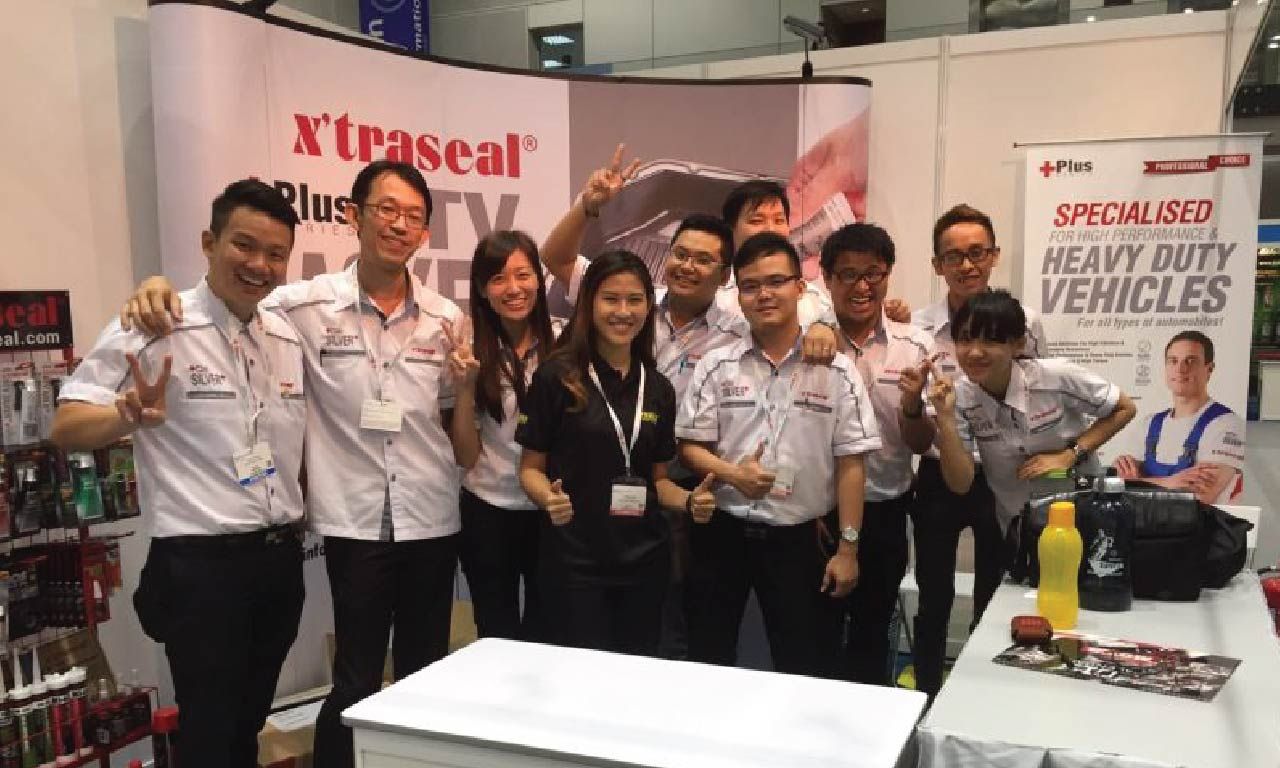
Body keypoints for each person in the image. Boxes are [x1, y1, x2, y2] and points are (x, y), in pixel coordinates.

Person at [119, 160, 468, 768]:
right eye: (386, 209)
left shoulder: (447, 318)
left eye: (413, 216)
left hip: (431, 516)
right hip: (354, 520)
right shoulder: (299, 307)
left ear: (425, 232)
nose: (398, 224)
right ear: (353, 215)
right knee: (356, 678)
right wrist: (155, 287)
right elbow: (229, 298)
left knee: (425, 673)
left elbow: (448, 412)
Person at [52, 180, 306, 768]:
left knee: (247, 725)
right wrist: (124, 416)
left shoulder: (284, 333)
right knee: (210, 735)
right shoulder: (156, 323)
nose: (259, 265)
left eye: (275, 254)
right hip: (202, 569)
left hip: (278, 562)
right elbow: (66, 425)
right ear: (209, 243)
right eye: (244, 245)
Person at [677, 233, 882, 678]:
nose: (764, 295)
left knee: (805, 665)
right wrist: (732, 474)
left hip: (800, 539)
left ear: (799, 288)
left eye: (775, 282)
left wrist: (848, 549)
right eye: (751, 286)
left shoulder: (837, 370)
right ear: (738, 295)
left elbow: (852, 464)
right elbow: (690, 446)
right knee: (708, 658)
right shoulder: (716, 364)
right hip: (723, 534)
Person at [516, 250, 716, 656]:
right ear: (590, 303)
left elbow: (658, 481)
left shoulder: (657, 388)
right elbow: (529, 469)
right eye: (611, 299)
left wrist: (689, 500)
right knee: (579, 674)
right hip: (575, 561)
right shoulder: (557, 377)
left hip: (645, 562)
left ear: (648, 307)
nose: (623, 312)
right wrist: (548, 498)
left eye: (634, 300)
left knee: (634, 675)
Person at [908, 203, 1049, 698]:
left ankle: (980, 693)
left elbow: (1038, 390)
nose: (967, 265)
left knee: (995, 590)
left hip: (1002, 474)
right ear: (937, 264)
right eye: (954, 256)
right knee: (934, 594)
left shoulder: (1025, 322)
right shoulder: (918, 327)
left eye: (977, 253)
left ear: (994, 255)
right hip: (939, 473)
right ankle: (926, 694)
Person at [927, 289, 1137, 555]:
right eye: (965, 340)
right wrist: (945, 418)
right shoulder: (959, 397)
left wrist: (1071, 454)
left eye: (990, 340)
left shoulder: (1055, 376)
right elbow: (960, 483)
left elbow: (1124, 408)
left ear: (1018, 344)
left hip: (1082, 519)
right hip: (1019, 528)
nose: (975, 352)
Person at [819, 223, 937, 686]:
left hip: (887, 509)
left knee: (873, 633)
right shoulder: (808, 343)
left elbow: (921, 444)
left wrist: (912, 406)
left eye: (873, 274)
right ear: (827, 279)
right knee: (818, 635)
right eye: (848, 274)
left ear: (888, 275)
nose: (862, 286)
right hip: (820, 515)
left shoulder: (916, 345)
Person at [449, 230, 559, 641]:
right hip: (489, 511)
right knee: (496, 634)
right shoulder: (469, 349)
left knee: (549, 632)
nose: (513, 289)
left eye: (523, 275)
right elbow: (465, 456)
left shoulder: (565, 342)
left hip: (551, 508)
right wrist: (465, 388)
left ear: (539, 281)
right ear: (482, 290)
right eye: (498, 278)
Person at [1114, 331, 1245, 504]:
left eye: (1190, 361)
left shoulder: (1227, 425)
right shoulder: (1148, 424)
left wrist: (1136, 483)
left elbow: (1200, 496)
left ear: (1209, 369)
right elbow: (1117, 484)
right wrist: (1171, 483)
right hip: (1146, 522)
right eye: (1173, 361)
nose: (1181, 369)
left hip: (1201, 522)